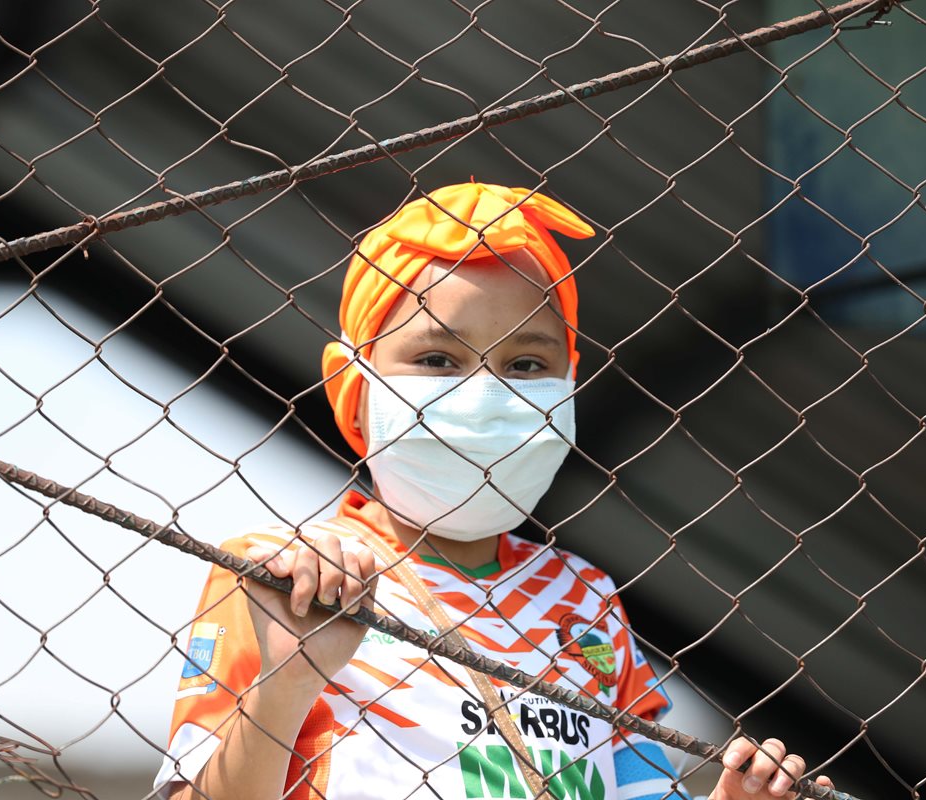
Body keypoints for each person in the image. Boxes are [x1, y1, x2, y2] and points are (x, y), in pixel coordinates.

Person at [153, 182, 835, 800]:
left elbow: (641, 791)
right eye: (437, 359)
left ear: (567, 386)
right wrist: (286, 687)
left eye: (526, 364)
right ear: (353, 390)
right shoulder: (286, 572)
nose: (484, 395)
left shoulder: (587, 597)